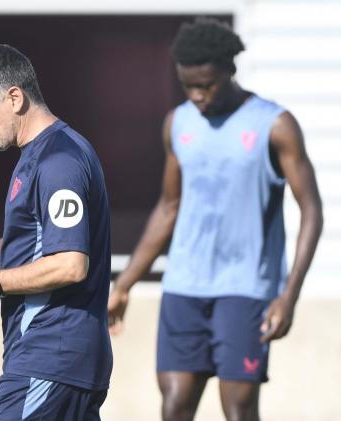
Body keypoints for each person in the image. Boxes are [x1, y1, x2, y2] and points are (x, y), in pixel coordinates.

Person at [107, 18, 323, 421]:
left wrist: (288, 295)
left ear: (230, 71)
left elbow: (311, 208)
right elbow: (168, 208)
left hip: (245, 288)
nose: (198, 95)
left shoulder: (274, 126)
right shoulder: (178, 122)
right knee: (174, 405)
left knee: (238, 408)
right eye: (188, 86)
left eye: (206, 85)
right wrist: (125, 283)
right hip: (184, 284)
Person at [0, 44, 112, 421]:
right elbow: (43, 241)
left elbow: (70, 264)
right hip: (60, 361)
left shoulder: (58, 162)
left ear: (14, 97)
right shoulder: (39, 156)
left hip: (50, 355)